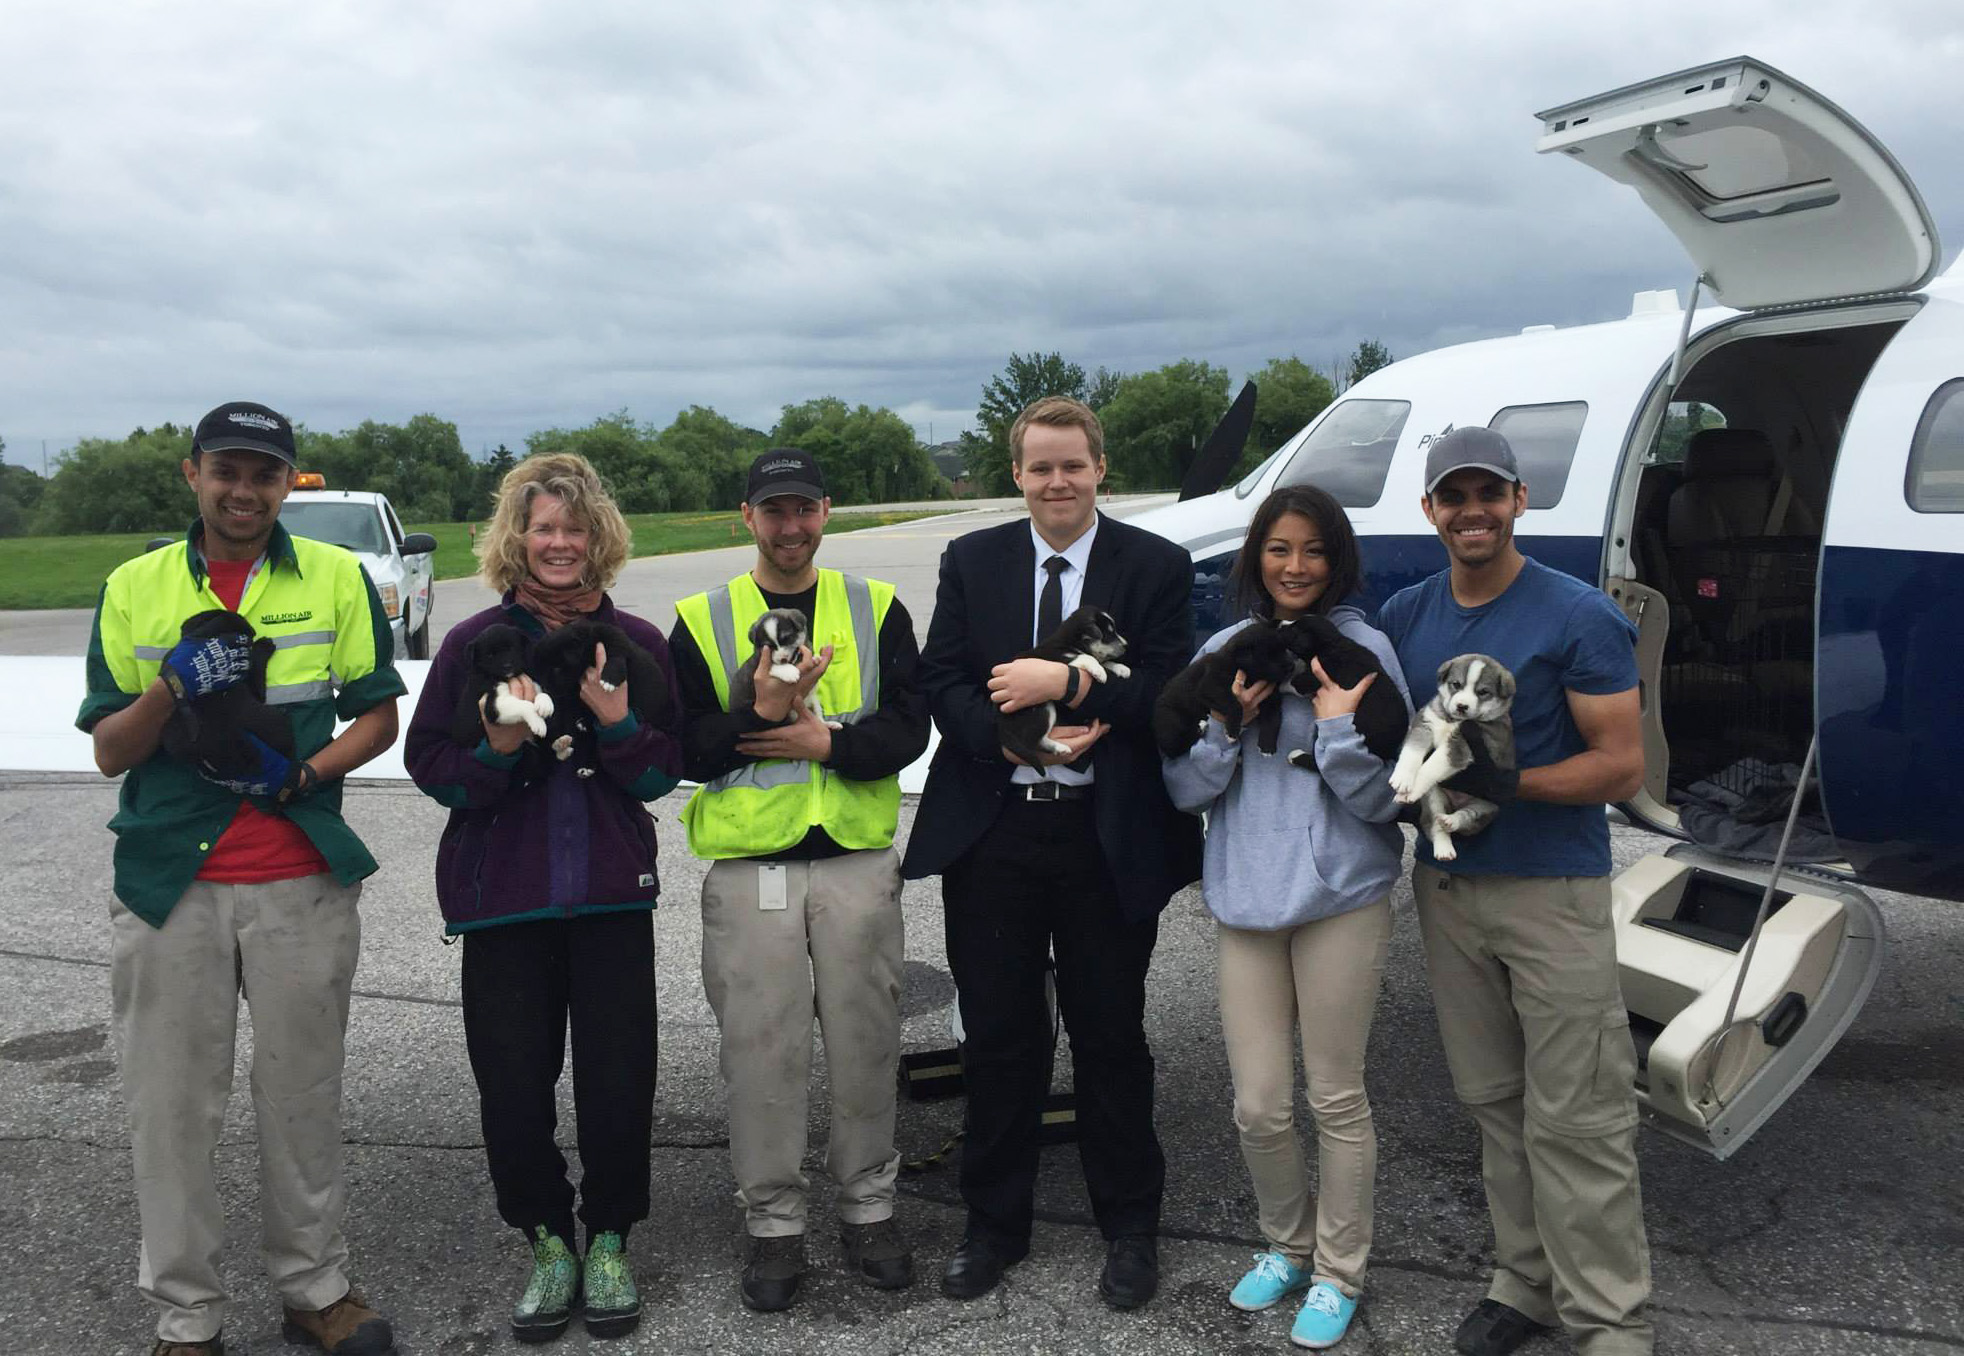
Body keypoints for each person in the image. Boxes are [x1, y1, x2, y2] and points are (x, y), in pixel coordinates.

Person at [77, 401, 404, 1356]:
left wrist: (304, 774)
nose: (244, 489)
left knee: (302, 1092)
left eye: (265, 474)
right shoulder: (135, 584)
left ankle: (315, 1289)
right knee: (172, 1105)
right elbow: (108, 751)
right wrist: (171, 684)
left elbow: (376, 720)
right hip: (169, 881)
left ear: (287, 483)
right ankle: (187, 1316)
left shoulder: (339, 578)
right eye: (227, 470)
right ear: (193, 474)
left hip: (297, 870)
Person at [904, 396, 1201, 1310]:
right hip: (996, 831)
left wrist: (1071, 681)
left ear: (1100, 468)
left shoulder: (1155, 564)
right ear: (1017, 476)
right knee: (1001, 1037)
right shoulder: (974, 560)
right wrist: (1004, 739)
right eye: (1040, 467)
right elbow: (941, 680)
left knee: (1111, 1034)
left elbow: (1169, 697)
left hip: (1104, 837)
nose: (1057, 482)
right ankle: (994, 1224)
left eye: (1073, 465)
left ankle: (1129, 1225)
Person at [1374, 427, 1651, 1356]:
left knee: (1580, 1112)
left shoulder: (1577, 615)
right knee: (1493, 1099)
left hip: (1552, 891)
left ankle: (1610, 1320)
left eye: (1488, 493)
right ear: (1430, 513)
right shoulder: (1410, 612)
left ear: (1520, 501)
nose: (1471, 511)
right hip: (1449, 892)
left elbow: (1620, 768)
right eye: (1453, 497)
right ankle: (1523, 1280)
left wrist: (1507, 786)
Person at [404, 453, 683, 1344]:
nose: (560, 544)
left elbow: (661, 775)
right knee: (513, 1087)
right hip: (504, 903)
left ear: (598, 538)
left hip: (609, 897)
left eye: (574, 528)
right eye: (544, 528)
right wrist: (491, 748)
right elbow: (431, 771)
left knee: (617, 1080)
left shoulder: (635, 639)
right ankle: (545, 1242)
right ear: (516, 539)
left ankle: (608, 1238)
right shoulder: (471, 643)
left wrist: (618, 724)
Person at [669, 447, 929, 1312]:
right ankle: (774, 1222)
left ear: (827, 512)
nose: (791, 527)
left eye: (805, 510)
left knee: (866, 1043)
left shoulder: (876, 607)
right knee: (761, 1051)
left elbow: (908, 728)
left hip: (854, 861)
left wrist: (831, 745)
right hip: (754, 871)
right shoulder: (702, 619)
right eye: (773, 512)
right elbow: (684, 748)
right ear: (748, 518)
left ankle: (868, 1207)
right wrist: (761, 715)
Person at [1161, 484, 1412, 1349]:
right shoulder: (1229, 649)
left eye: (1312, 549)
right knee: (1259, 1105)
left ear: (1335, 557)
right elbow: (1186, 789)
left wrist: (1338, 731)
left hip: (1341, 897)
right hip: (1247, 900)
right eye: (1278, 549)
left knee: (1335, 1095)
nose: (1295, 567)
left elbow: (1390, 802)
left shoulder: (1365, 649)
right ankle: (1286, 1246)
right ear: (1254, 558)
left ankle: (1341, 1269)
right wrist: (1228, 729)